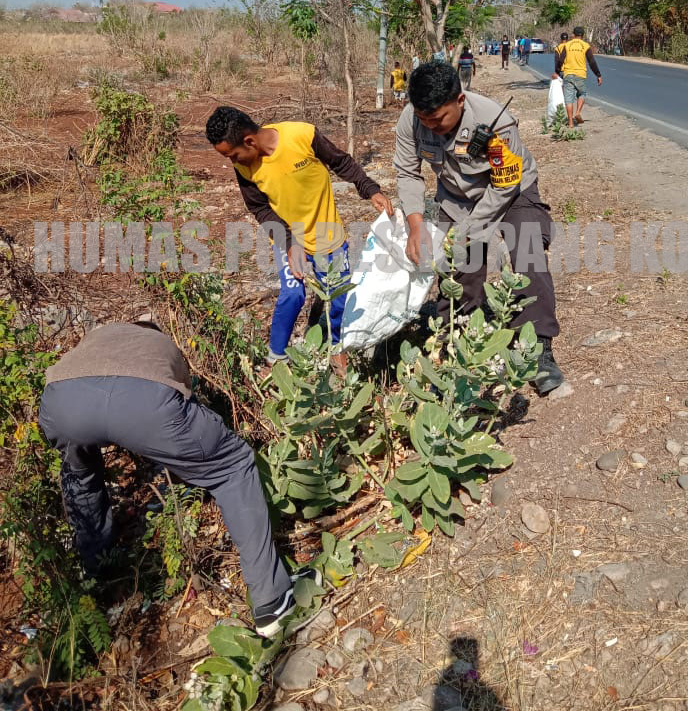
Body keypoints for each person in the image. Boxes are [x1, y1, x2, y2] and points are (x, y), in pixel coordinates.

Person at [38, 320, 320, 637]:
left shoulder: (99, 335)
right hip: (144, 401)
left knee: (81, 473)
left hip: (60, 403)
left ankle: (96, 570)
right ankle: (272, 600)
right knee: (232, 465)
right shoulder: (163, 346)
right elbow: (181, 416)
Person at [394, 62, 564, 395]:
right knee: (459, 269)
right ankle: (453, 344)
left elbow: (504, 186)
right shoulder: (411, 120)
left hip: (512, 190)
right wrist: (416, 223)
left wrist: (469, 231)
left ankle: (539, 348)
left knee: (527, 252)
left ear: (459, 100)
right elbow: (407, 172)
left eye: (438, 119)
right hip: (457, 195)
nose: (430, 126)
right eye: (424, 118)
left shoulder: (495, 122)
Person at [205, 107, 393, 369]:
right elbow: (259, 208)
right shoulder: (245, 167)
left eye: (232, 154)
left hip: (326, 231)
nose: (232, 161)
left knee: (337, 295)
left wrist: (370, 189)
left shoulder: (302, 135)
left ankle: (336, 347)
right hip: (287, 235)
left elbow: (341, 162)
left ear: (249, 141)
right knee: (293, 294)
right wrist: (290, 243)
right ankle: (276, 356)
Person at [553, 25, 602, 127]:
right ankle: (578, 112)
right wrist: (598, 74)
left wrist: (557, 72)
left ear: (573, 35)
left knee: (568, 99)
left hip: (568, 74)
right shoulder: (585, 46)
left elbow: (561, 60)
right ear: (582, 36)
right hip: (580, 74)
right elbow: (592, 62)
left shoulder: (567, 45)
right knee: (582, 93)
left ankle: (570, 122)